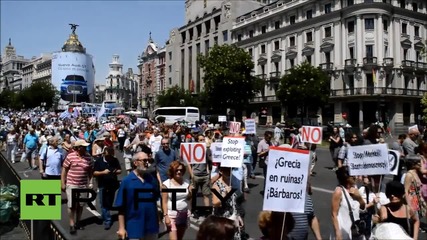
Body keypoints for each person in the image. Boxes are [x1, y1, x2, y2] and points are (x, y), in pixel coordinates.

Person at [115, 151, 159, 240]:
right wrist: (121, 228)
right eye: (144, 160)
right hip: (134, 226)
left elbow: (156, 200)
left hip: (151, 226)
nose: (147, 163)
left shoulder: (152, 179)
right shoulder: (127, 181)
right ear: (135, 163)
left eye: (148, 160)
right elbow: (121, 207)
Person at [61, 139, 93, 234]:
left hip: (83, 184)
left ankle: (78, 221)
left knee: (81, 205)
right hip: (72, 183)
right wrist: (63, 183)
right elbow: (64, 170)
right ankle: (72, 223)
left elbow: (90, 171)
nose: (85, 148)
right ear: (78, 148)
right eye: (83, 147)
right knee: (71, 204)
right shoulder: (70, 156)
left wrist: (91, 182)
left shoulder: (88, 157)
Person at [330, 166, 366, 240]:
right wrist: (338, 233)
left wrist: (359, 197)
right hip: (342, 230)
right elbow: (334, 214)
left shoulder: (355, 189)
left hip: (354, 231)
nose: (355, 177)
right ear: (347, 178)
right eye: (353, 176)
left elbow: (363, 208)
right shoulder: (339, 192)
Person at [162, 161, 191, 240]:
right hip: (172, 215)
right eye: (177, 170)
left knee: (179, 238)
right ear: (172, 171)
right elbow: (164, 202)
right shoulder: (166, 184)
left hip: (184, 214)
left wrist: (191, 192)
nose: (179, 172)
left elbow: (188, 198)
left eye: (181, 170)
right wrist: (166, 216)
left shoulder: (187, 183)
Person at [93, 146, 121, 230]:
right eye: (108, 156)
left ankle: (105, 214)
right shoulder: (99, 161)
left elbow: (120, 170)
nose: (109, 158)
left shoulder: (114, 160)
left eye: (111, 156)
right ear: (104, 154)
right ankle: (108, 220)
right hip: (103, 184)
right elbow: (94, 173)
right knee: (103, 203)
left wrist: (116, 171)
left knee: (109, 202)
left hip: (112, 184)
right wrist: (103, 172)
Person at [212, 166, 243, 240]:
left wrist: (238, 216)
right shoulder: (216, 185)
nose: (229, 172)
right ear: (221, 171)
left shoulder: (231, 183)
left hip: (232, 217)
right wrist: (226, 194)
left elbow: (234, 203)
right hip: (222, 219)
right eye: (226, 170)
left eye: (230, 170)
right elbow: (215, 203)